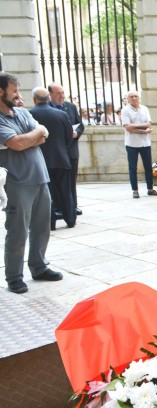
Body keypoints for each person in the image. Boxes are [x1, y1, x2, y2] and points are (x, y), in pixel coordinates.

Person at [0, 72, 63, 294]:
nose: (18, 94)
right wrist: (32, 135)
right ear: (1, 92)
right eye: (14, 90)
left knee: (41, 226)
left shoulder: (22, 113)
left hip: (40, 178)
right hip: (17, 182)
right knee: (17, 230)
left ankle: (38, 266)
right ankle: (14, 277)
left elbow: (43, 134)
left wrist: (33, 135)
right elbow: (16, 143)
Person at [29, 87, 76, 230]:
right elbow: (69, 137)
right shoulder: (61, 114)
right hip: (61, 158)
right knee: (65, 190)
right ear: (48, 98)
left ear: (34, 99)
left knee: (46, 193)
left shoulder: (29, 114)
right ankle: (70, 219)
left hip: (41, 160)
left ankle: (51, 222)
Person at [48, 82, 84, 217]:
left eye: (63, 93)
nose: (61, 96)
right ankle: (58, 207)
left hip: (71, 151)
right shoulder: (47, 109)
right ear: (50, 95)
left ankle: (73, 206)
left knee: (71, 180)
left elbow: (80, 125)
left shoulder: (70, 107)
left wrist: (76, 133)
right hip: (56, 153)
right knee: (56, 182)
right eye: (58, 93)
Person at [121, 90, 157, 199]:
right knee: (132, 168)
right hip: (131, 143)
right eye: (131, 96)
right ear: (128, 99)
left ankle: (150, 188)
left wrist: (135, 126)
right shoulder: (125, 110)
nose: (134, 98)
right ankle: (135, 190)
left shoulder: (145, 109)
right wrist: (143, 130)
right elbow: (128, 128)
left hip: (145, 143)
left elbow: (148, 123)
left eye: (136, 96)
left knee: (148, 167)